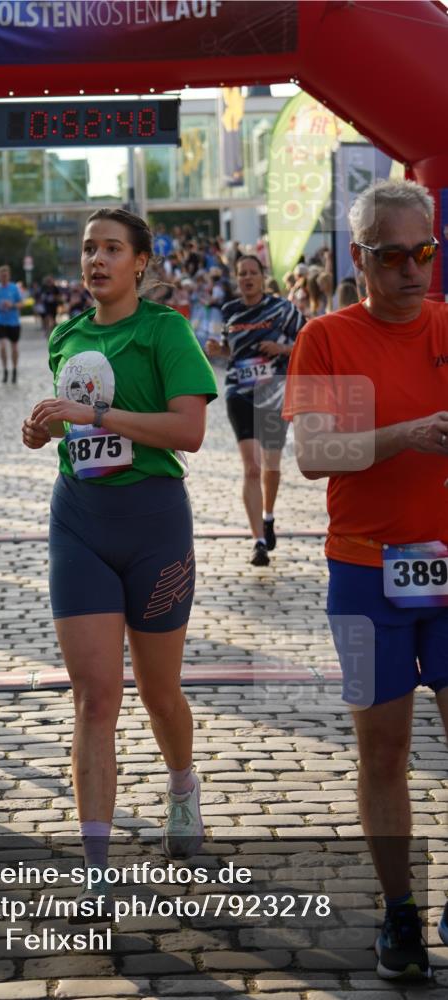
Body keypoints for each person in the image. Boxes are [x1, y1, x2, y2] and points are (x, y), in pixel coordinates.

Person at [22, 208, 218, 910]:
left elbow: (189, 431)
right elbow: (70, 432)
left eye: (111, 249)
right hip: (78, 521)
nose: (94, 260)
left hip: (154, 523)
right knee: (94, 697)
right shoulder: (66, 337)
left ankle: (182, 785)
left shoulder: (165, 331)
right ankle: (97, 866)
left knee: (160, 691)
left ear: (140, 262)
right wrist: (45, 430)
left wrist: (95, 419)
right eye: (86, 249)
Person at [283, 179, 448, 980]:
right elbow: (317, 454)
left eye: (425, 252)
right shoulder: (327, 339)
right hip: (361, 573)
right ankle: (399, 914)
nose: (414, 270)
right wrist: (409, 433)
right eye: (394, 256)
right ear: (358, 258)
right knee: (381, 754)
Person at [206, 255, 305, 566]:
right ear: (237, 279)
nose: (247, 278)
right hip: (240, 392)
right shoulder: (229, 311)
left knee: (271, 467)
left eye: (252, 273)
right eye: (241, 273)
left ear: (263, 277)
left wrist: (282, 349)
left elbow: (309, 339)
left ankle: (269, 515)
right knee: (252, 467)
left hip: (273, 391)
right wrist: (217, 351)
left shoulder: (282, 309)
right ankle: (258, 542)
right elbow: (229, 349)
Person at [0, 264, 23, 383]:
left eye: (5, 275)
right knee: (2, 346)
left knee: (14, 348)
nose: (3, 277)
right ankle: (5, 370)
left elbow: (21, 304)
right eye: (1, 276)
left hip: (13, 322)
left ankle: (14, 369)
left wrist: (12, 305)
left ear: (9, 276)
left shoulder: (14, 288)